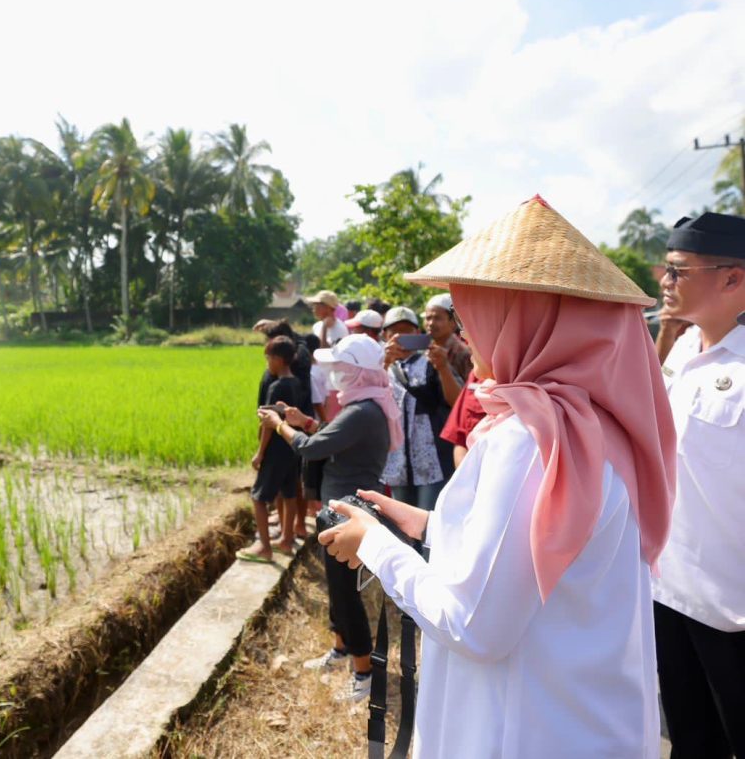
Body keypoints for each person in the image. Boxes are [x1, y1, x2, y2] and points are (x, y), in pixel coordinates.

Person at [318, 195, 676, 758]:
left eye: (473, 316)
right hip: (585, 722)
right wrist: (428, 526)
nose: (467, 334)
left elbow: (473, 626)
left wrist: (378, 550)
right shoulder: (595, 426)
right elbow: (541, 550)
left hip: (521, 729)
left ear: (522, 319)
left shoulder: (531, 441)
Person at [257, 333, 402, 703]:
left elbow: (310, 448)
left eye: (340, 368)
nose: (334, 375)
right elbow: (329, 438)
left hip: (347, 514)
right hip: (338, 509)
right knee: (337, 591)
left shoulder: (362, 411)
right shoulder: (367, 406)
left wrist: (279, 425)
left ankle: (364, 673)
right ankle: (341, 650)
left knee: (346, 595)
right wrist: (306, 421)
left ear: (355, 373)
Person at [651, 211, 745, 759]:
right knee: (691, 740)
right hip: (672, 590)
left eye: (678, 270)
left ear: (733, 278)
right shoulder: (684, 352)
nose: (664, 281)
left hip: (733, 606)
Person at [381, 306, 460, 511]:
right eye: (395, 332)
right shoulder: (379, 366)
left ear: (418, 334)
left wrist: (443, 369)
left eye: (408, 331)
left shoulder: (433, 362)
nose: (402, 337)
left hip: (432, 462)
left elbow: (457, 402)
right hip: (397, 461)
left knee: (427, 523)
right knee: (401, 525)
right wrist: (383, 364)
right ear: (385, 335)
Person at [241, 336, 304, 563]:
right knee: (289, 493)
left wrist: (259, 453)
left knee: (258, 497)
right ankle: (286, 540)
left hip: (276, 449)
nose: (267, 363)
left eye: (268, 358)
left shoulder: (277, 386)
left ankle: (264, 548)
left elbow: (269, 423)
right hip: (291, 448)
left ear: (278, 359)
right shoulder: (296, 383)